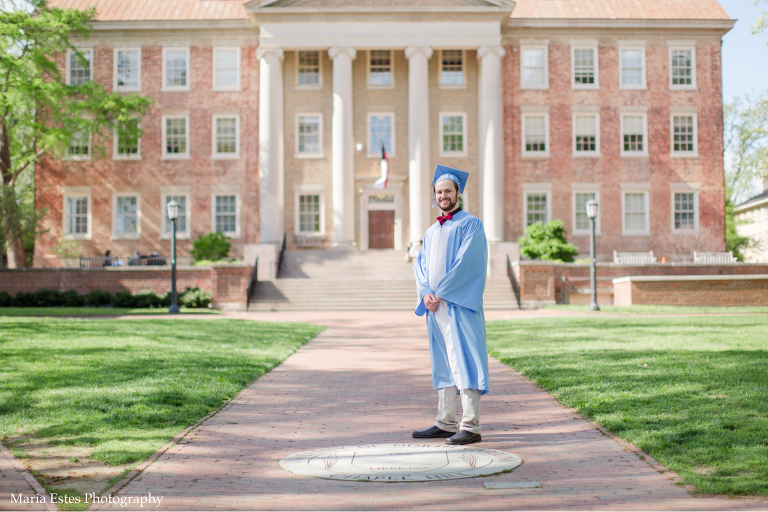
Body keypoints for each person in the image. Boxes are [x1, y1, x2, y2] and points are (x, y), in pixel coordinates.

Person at [412, 165, 489, 445]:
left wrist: (441, 292)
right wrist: (425, 294)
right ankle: (445, 421)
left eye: (448, 191)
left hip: (458, 305)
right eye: (439, 191)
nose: (443, 195)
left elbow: (468, 264)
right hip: (434, 306)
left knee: (464, 359)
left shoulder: (471, 224)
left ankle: (471, 425)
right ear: (434, 195)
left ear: (458, 193)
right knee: (443, 362)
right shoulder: (431, 231)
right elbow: (420, 267)